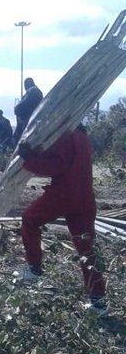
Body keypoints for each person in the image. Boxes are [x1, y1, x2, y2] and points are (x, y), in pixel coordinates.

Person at [15, 127, 106, 314]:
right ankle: (98, 301)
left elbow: (56, 166)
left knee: (30, 220)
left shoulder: (66, 134)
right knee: (86, 247)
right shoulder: (82, 134)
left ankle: (34, 268)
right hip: (85, 197)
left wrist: (28, 158)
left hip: (64, 194)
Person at [14, 77, 43, 142]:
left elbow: (25, 104)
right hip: (31, 119)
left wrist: (17, 108)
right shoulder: (35, 91)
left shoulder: (33, 91)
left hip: (29, 119)